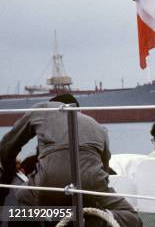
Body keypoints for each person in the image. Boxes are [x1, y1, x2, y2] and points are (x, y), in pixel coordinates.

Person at [0, 94, 142, 226]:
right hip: (92, 182)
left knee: (22, 196)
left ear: (54, 106)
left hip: (50, 180)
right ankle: (98, 218)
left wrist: (8, 169)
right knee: (131, 216)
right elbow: (104, 169)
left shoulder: (42, 110)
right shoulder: (98, 127)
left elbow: (7, 147)